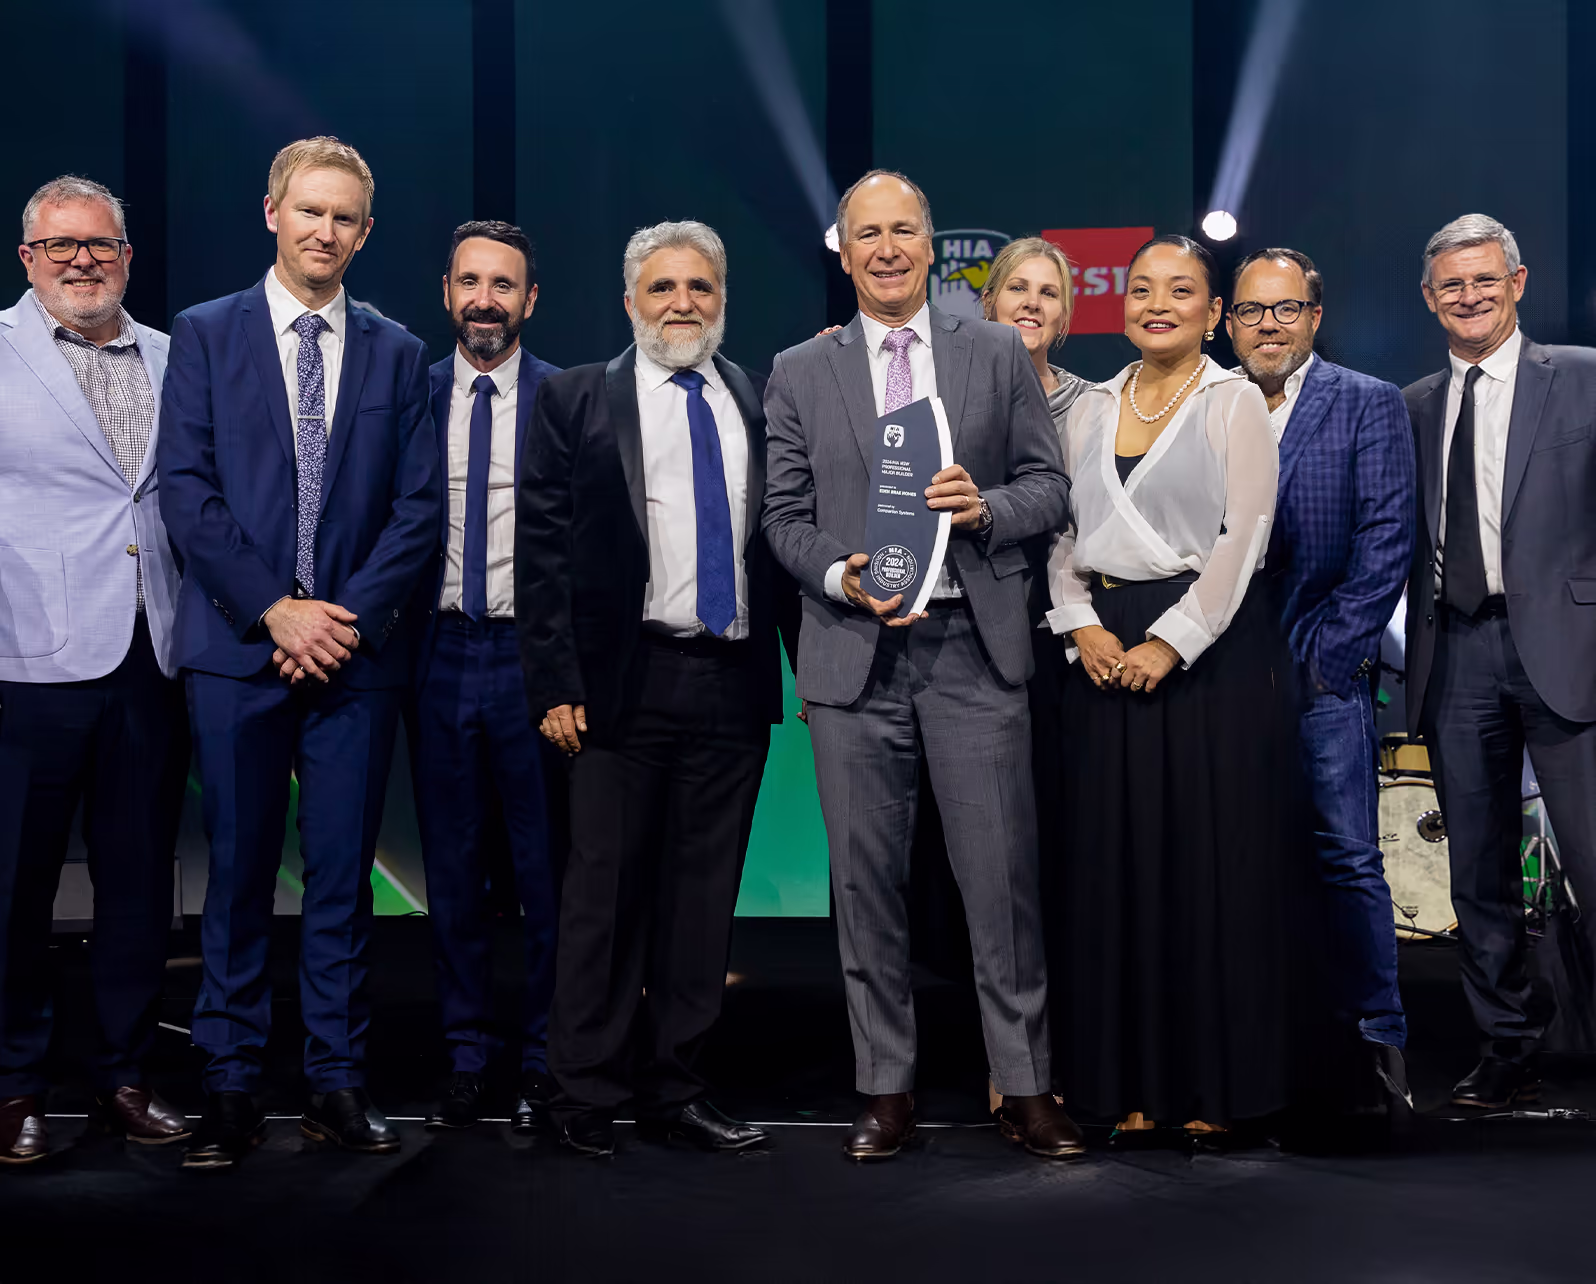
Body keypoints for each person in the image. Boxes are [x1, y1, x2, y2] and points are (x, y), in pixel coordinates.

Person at [763, 170, 1080, 1162]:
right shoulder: (798, 371)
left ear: (933, 246)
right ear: (844, 249)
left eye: (905, 231)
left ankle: (1026, 1087)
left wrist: (984, 507)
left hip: (972, 653)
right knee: (864, 891)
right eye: (870, 233)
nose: (888, 248)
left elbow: (1050, 488)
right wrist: (837, 573)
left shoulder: (991, 354)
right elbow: (781, 519)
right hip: (856, 656)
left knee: (1001, 885)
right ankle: (885, 1088)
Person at [159, 137, 440, 1168]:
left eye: (345, 218)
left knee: (338, 881)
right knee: (235, 875)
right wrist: (278, 612)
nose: (325, 231)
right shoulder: (205, 334)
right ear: (271, 211)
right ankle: (229, 1085)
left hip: (353, 661)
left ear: (364, 234)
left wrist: (337, 620)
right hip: (239, 652)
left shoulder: (399, 351)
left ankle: (334, 1079)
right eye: (309, 211)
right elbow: (185, 491)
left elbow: (418, 513)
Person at [517, 220, 797, 1158]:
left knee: (702, 898)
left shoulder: (756, 397)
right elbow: (543, 549)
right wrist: (553, 680)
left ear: (723, 300)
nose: (683, 303)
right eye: (664, 287)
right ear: (630, 300)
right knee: (602, 898)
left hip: (730, 680)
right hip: (614, 686)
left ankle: (676, 1089)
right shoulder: (572, 397)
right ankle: (579, 1094)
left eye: (701, 288)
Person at [1045, 234, 1296, 1141]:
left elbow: (1246, 538)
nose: (1158, 303)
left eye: (1181, 290)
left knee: (1204, 873)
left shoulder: (1235, 403)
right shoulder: (1088, 405)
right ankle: (1127, 1086)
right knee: (1113, 877)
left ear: (1213, 311)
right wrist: (1082, 628)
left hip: (1208, 662)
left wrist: (1170, 642)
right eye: (1143, 288)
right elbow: (1062, 536)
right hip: (1101, 662)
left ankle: (1210, 1092)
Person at [0, 177, 190, 1163]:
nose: (83, 260)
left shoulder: (171, 353)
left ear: (127, 255)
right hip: (23, 666)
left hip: (147, 656)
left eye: (101, 245)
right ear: (27, 257)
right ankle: (13, 1085)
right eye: (60, 245)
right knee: (14, 892)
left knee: (135, 889)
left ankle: (122, 1071)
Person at [1404, 214, 1596, 1109]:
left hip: (1569, 650)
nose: (1470, 296)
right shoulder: (1411, 406)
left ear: (1517, 283)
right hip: (1457, 652)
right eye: (1452, 285)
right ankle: (1506, 1044)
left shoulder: (1585, 378)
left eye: (1485, 280)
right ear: (1430, 298)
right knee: (1476, 871)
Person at [1228, 247, 1416, 1109]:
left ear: (1314, 315)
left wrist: (1323, 666)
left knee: (1346, 858)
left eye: (1286, 309)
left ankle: (1378, 1042)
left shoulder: (1368, 405)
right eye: (1252, 311)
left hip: (1320, 680)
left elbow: (1385, 552)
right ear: (1227, 322)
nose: (1269, 325)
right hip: (1215, 684)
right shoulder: (1203, 403)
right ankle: (1248, 1043)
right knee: (1234, 865)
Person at [408, 221, 560, 1133]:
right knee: (454, 871)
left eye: (504, 285)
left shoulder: (570, 399)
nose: (485, 300)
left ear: (530, 299)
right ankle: (467, 1053)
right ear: (447, 290)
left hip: (531, 661)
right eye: (471, 281)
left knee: (547, 875)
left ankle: (544, 1057)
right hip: (436, 656)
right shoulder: (407, 395)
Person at [980, 236, 1090, 428]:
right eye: (1018, 288)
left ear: (1064, 314)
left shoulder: (1092, 405)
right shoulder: (951, 393)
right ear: (989, 302)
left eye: (1048, 293)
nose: (1032, 303)